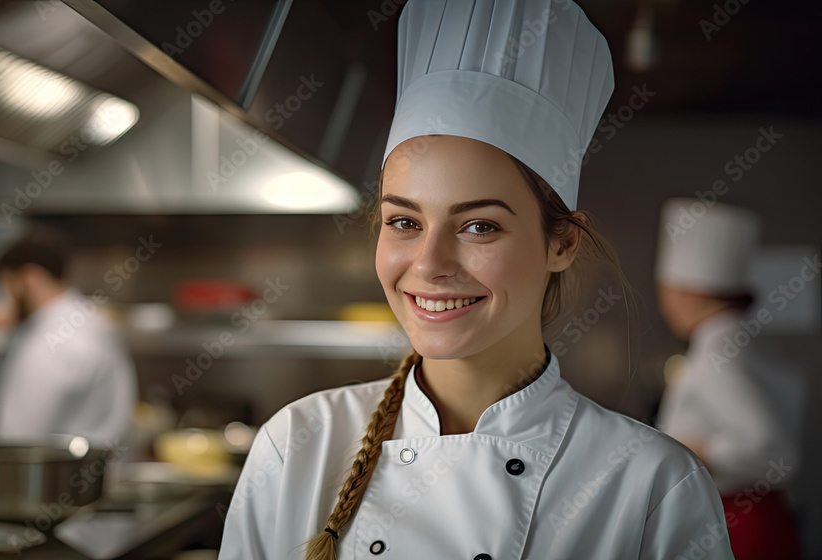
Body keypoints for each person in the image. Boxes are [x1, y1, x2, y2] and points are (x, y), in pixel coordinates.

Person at [220, 1, 733, 558]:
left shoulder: (651, 484)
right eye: (404, 222)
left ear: (562, 242)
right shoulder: (296, 445)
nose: (429, 263)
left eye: (479, 226)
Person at [656, 199, 805, 560]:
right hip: (761, 516)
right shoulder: (746, 340)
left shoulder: (717, 351)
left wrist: (683, 448)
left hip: (738, 521)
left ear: (687, 293)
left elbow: (772, 451)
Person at [0, 230, 137, 447]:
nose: (5, 302)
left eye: (6, 286)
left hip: (57, 478)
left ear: (28, 278)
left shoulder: (48, 342)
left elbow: (16, 442)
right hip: (102, 471)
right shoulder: (95, 323)